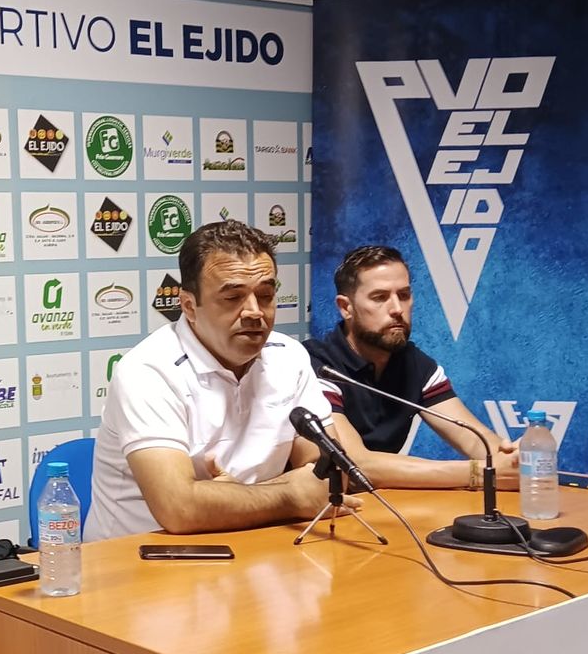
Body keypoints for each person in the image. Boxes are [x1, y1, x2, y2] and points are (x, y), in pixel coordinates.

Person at [86, 220, 360, 541]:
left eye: (266, 295)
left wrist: (234, 498)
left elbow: (332, 472)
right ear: (189, 305)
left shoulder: (289, 356)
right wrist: (290, 495)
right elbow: (179, 509)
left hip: (253, 544)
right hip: (137, 561)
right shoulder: (148, 370)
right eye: (233, 298)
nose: (255, 312)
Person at [303, 245, 518, 491]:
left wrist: (511, 458)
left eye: (404, 295)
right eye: (380, 297)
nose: (396, 309)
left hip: (384, 506)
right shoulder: (316, 364)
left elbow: (475, 439)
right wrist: (478, 473)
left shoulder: (414, 363)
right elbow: (355, 465)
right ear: (345, 307)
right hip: (320, 512)